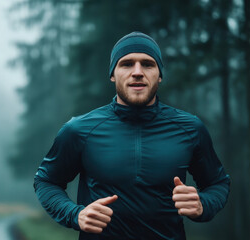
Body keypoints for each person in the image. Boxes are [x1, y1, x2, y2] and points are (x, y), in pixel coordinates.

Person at [34, 31, 230, 240]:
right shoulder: (79, 130)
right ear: (112, 74)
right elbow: (46, 181)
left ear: (160, 75)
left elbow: (218, 183)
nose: (137, 72)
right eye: (126, 64)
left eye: (147, 64)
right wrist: (75, 214)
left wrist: (203, 205)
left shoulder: (190, 129)